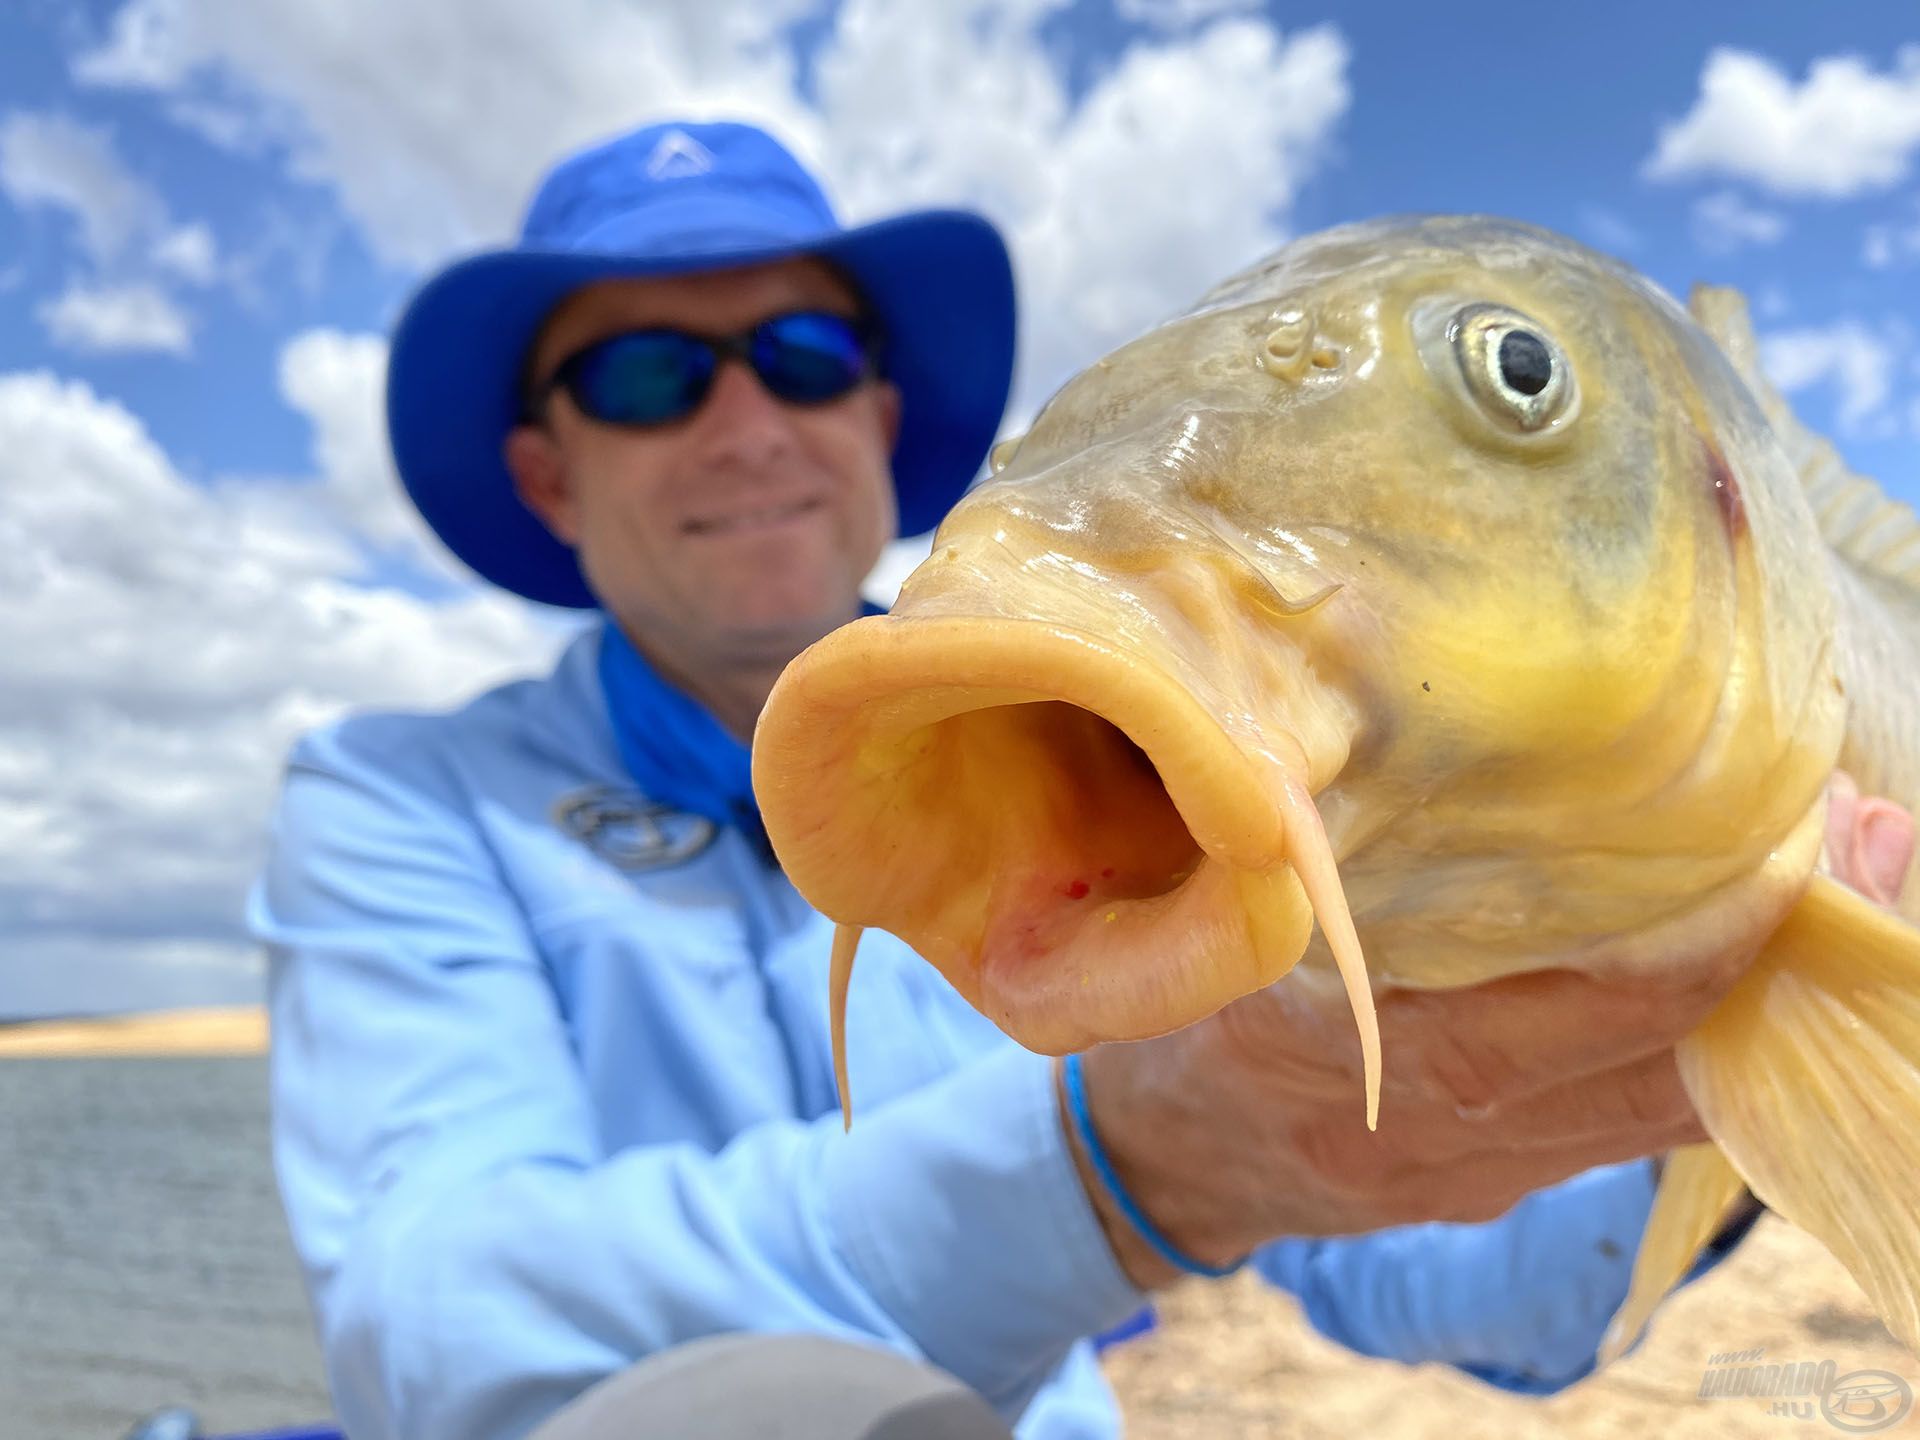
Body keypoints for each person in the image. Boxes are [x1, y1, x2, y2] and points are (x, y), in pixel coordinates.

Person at [248, 119, 1915, 1440]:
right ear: (547, 470)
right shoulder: (398, 803)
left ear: (880, 413)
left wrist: (1663, 1080)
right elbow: (433, 1328)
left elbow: (1443, 1295)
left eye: (806, 355)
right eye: (647, 376)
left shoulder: (1163, 800)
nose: (748, 421)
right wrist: (1123, 1166)